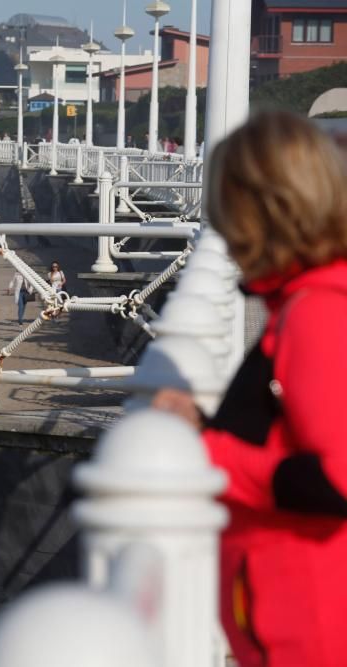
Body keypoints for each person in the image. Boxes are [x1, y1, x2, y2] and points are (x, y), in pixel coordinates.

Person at [151, 111, 347, 667]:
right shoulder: (313, 299)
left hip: (310, 629)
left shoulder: (319, 313)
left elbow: (338, 478)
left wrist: (206, 453)